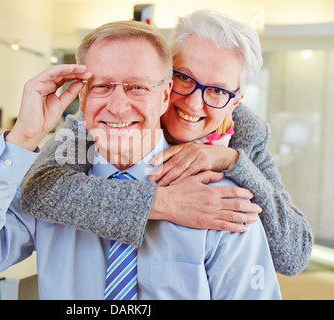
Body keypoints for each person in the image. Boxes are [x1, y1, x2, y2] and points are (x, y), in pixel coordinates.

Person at [0, 20, 281, 299]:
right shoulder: (50, 190)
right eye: (101, 86)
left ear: (165, 96)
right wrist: (23, 136)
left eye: (137, 87)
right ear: (81, 98)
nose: (116, 106)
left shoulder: (219, 201)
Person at [21, 10, 312, 277]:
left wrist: (231, 160)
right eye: (184, 78)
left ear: (235, 101)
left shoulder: (245, 136)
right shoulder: (110, 117)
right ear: (164, 79)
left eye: (217, 90)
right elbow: (40, 188)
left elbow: (293, 256)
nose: (194, 104)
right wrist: (162, 202)